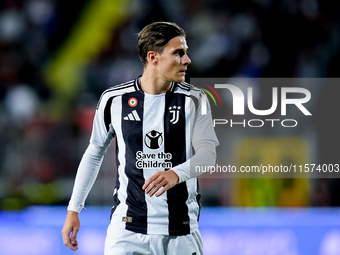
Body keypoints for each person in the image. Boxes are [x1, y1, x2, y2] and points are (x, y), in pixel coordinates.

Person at [62, 21, 219, 255]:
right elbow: (94, 152)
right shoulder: (114, 100)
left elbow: (208, 154)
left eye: (186, 53)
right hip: (127, 231)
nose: (187, 60)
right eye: (178, 53)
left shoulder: (195, 100)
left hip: (181, 230)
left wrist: (176, 173)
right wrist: (74, 209)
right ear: (153, 57)